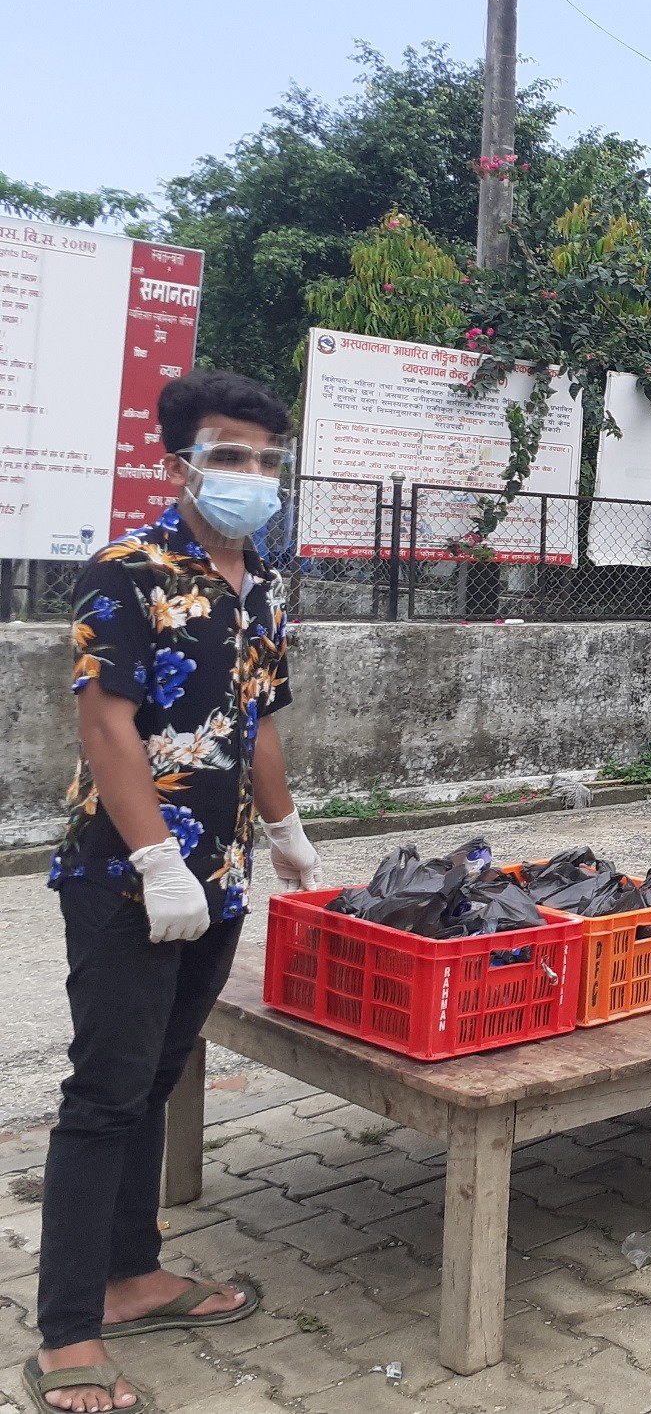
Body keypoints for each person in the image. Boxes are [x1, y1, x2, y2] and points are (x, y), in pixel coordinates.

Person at [34, 373, 324, 1414]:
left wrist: (286, 835)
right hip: (125, 876)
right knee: (104, 1096)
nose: (250, 476)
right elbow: (106, 725)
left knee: (155, 1082)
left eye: (265, 459)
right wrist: (157, 859)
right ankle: (68, 1332)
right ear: (180, 463)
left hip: (224, 876)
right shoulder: (130, 571)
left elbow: (262, 722)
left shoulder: (270, 588)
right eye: (228, 455)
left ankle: (133, 1277)